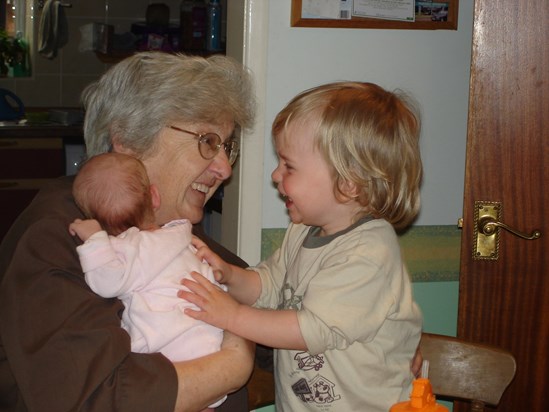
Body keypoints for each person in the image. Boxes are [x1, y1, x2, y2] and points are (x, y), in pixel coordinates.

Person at [0, 51, 256, 412]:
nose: (224, 169)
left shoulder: (163, 232)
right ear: (129, 141)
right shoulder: (58, 238)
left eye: (226, 147)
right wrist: (234, 363)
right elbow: (102, 398)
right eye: (208, 141)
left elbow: (261, 299)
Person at [180, 81, 424, 411]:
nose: (276, 175)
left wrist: (232, 316)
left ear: (348, 182)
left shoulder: (369, 253)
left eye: (289, 165)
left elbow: (310, 330)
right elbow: (268, 284)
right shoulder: (302, 230)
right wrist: (229, 276)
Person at [69, 152, 228, 411]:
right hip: (210, 346)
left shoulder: (125, 249)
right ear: (154, 197)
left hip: (170, 357)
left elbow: (106, 282)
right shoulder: (182, 237)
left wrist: (94, 240)